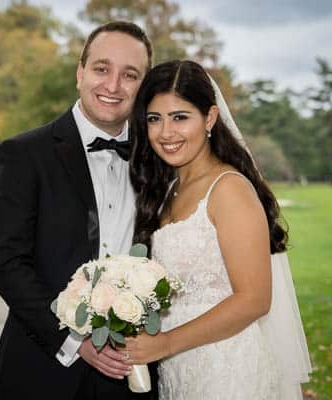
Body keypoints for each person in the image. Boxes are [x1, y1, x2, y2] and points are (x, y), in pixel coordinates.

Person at [0, 21, 154, 400]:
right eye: (101, 68)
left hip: (133, 377)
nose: (113, 86)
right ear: (80, 72)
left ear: (143, 88)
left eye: (130, 75)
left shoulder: (156, 160)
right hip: (39, 371)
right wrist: (74, 341)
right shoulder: (24, 154)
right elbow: (7, 264)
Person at [126, 60, 311, 399]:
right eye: (155, 119)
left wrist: (165, 343)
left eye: (180, 117)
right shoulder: (169, 190)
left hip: (228, 370)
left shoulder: (228, 189)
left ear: (209, 118)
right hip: (179, 370)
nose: (166, 132)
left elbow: (254, 300)